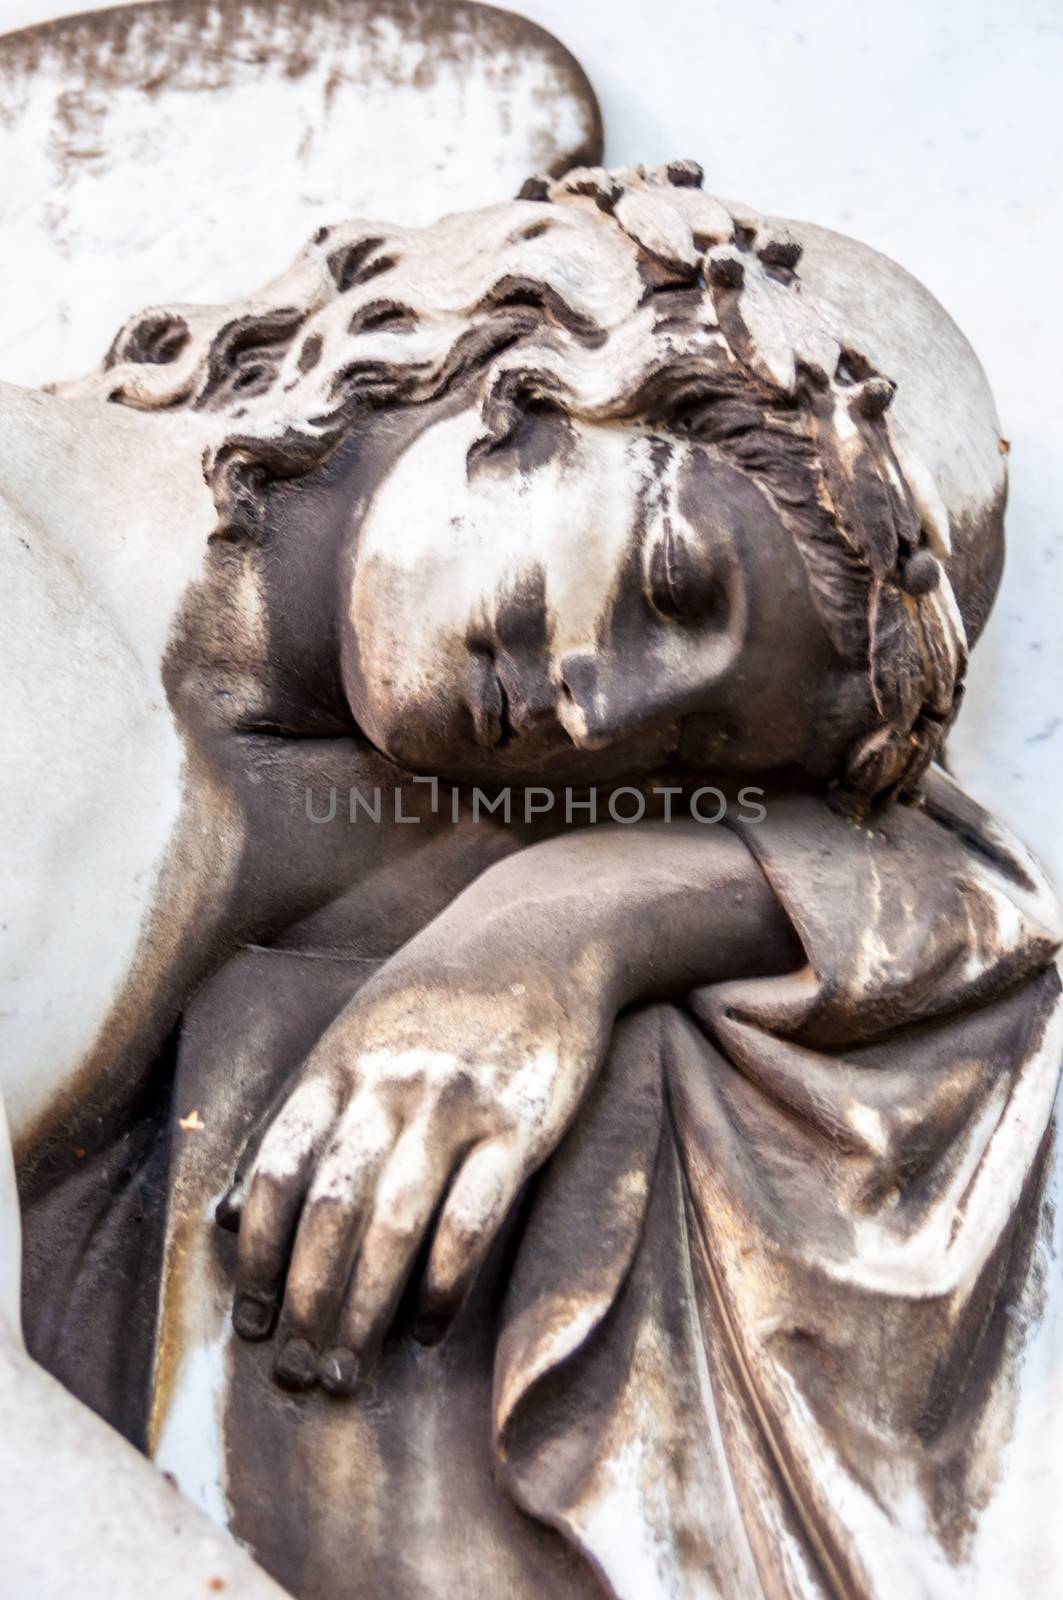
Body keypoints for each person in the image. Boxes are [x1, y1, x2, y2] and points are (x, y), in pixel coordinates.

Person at [3, 164, 1060, 1599]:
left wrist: (575, 918)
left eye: (690, 752)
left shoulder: (401, 795)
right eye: (674, 580)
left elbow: (958, 889)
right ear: (550, 353)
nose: (602, 716)